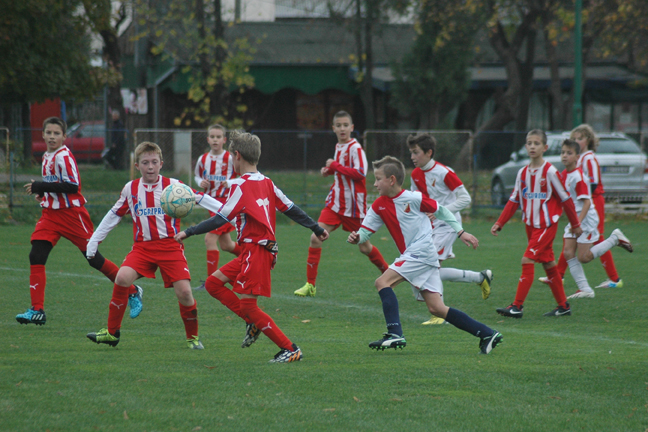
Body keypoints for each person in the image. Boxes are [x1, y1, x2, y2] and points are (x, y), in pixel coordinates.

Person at [175, 131, 329, 363]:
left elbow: (220, 218)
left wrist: (189, 231)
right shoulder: (267, 182)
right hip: (255, 250)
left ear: (237, 156)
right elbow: (291, 208)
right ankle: (252, 323)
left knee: (248, 304)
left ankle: (290, 348)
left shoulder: (240, 185)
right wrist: (316, 227)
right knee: (213, 283)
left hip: (256, 249)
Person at [347, 156, 502, 354]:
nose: (375, 184)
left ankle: (395, 333)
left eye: (378, 179)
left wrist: (461, 232)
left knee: (382, 282)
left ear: (391, 180)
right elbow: (365, 231)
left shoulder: (414, 198)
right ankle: (487, 334)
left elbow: (443, 211)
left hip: (421, 252)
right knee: (437, 308)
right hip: (418, 256)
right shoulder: (378, 205)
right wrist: (357, 237)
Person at [85, 141, 223, 349]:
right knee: (122, 278)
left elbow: (200, 197)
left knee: (185, 293)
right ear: (137, 166)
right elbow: (114, 215)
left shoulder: (173, 186)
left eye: (154, 162)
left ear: (161, 164)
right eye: (145, 162)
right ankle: (112, 334)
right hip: (142, 248)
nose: (150, 166)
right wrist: (94, 240)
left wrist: (228, 211)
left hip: (170, 246)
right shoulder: (130, 189)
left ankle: (192, 338)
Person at [16, 117, 143, 326]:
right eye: (49, 132)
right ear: (43, 134)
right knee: (36, 254)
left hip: (72, 215)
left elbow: (73, 186)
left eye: (57, 133)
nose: (52, 136)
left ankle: (132, 291)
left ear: (65, 137)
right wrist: (43, 194)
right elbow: (54, 185)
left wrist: (42, 186)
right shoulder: (47, 156)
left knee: (93, 258)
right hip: (50, 215)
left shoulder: (64, 156)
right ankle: (37, 310)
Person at [294, 111, 388, 297]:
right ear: (334, 128)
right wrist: (329, 171)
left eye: (346, 125)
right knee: (315, 237)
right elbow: (343, 171)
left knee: (364, 247)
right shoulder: (339, 146)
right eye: (339, 125)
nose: (343, 128)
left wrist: (334, 166)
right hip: (336, 205)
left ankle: (388, 273)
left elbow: (360, 172)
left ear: (352, 128)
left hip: (354, 207)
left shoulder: (356, 148)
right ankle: (310, 285)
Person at [492, 129, 582, 318]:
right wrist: (500, 222)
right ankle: (563, 306)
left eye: (537, 143)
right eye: (529, 143)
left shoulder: (550, 172)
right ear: (525, 147)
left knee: (527, 259)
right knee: (549, 264)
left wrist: (575, 224)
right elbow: (514, 200)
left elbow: (566, 199)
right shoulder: (522, 173)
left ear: (545, 147)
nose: (532, 146)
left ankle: (517, 306)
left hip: (546, 225)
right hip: (530, 226)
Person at [407, 133, 493, 325]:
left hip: (447, 225)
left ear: (429, 152)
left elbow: (465, 199)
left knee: (428, 266)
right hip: (429, 227)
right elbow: (417, 201)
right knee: (431, 269)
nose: (412, 157)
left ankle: (439, 314)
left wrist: (439, 212)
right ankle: (479, 277)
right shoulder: (415, 174)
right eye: (411, 153)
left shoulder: (444, 172)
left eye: (416, 152)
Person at [540, 124, 625, 289]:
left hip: (592, 202)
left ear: (589, 140)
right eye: (575, 139)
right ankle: (559, 276)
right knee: (570, 243)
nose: (577, 141)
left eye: (580, 138)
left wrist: (578, 201)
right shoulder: (575, 162)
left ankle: (614, 279)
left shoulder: (588, 158)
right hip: (582, 204)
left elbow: (591, 185)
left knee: (596, 239)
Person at [554, 139, 633, 299]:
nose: (565, 156)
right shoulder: (563, 174)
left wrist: (577, 223)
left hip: (585, 219)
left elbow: (587, 202)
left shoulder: (579, 177)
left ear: (577, 157)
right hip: (575, 218)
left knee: (584, 257)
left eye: (569, 153)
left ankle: (614, 239)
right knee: (568, 252)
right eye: (563, 152)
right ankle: (586, 290)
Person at [192, 124, 241, 290]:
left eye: (218, 137)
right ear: (208, 139)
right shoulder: (203, 159)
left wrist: (230, 183)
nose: (215, 139)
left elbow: (242, 177)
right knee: (226, 245)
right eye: (212, 136)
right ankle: (251, 256)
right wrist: (201, 182)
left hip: (225, 204)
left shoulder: (230, 158)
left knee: (209, 239)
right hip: (210, 202)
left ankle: (210, 283)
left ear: (224, 140)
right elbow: (197, 176)